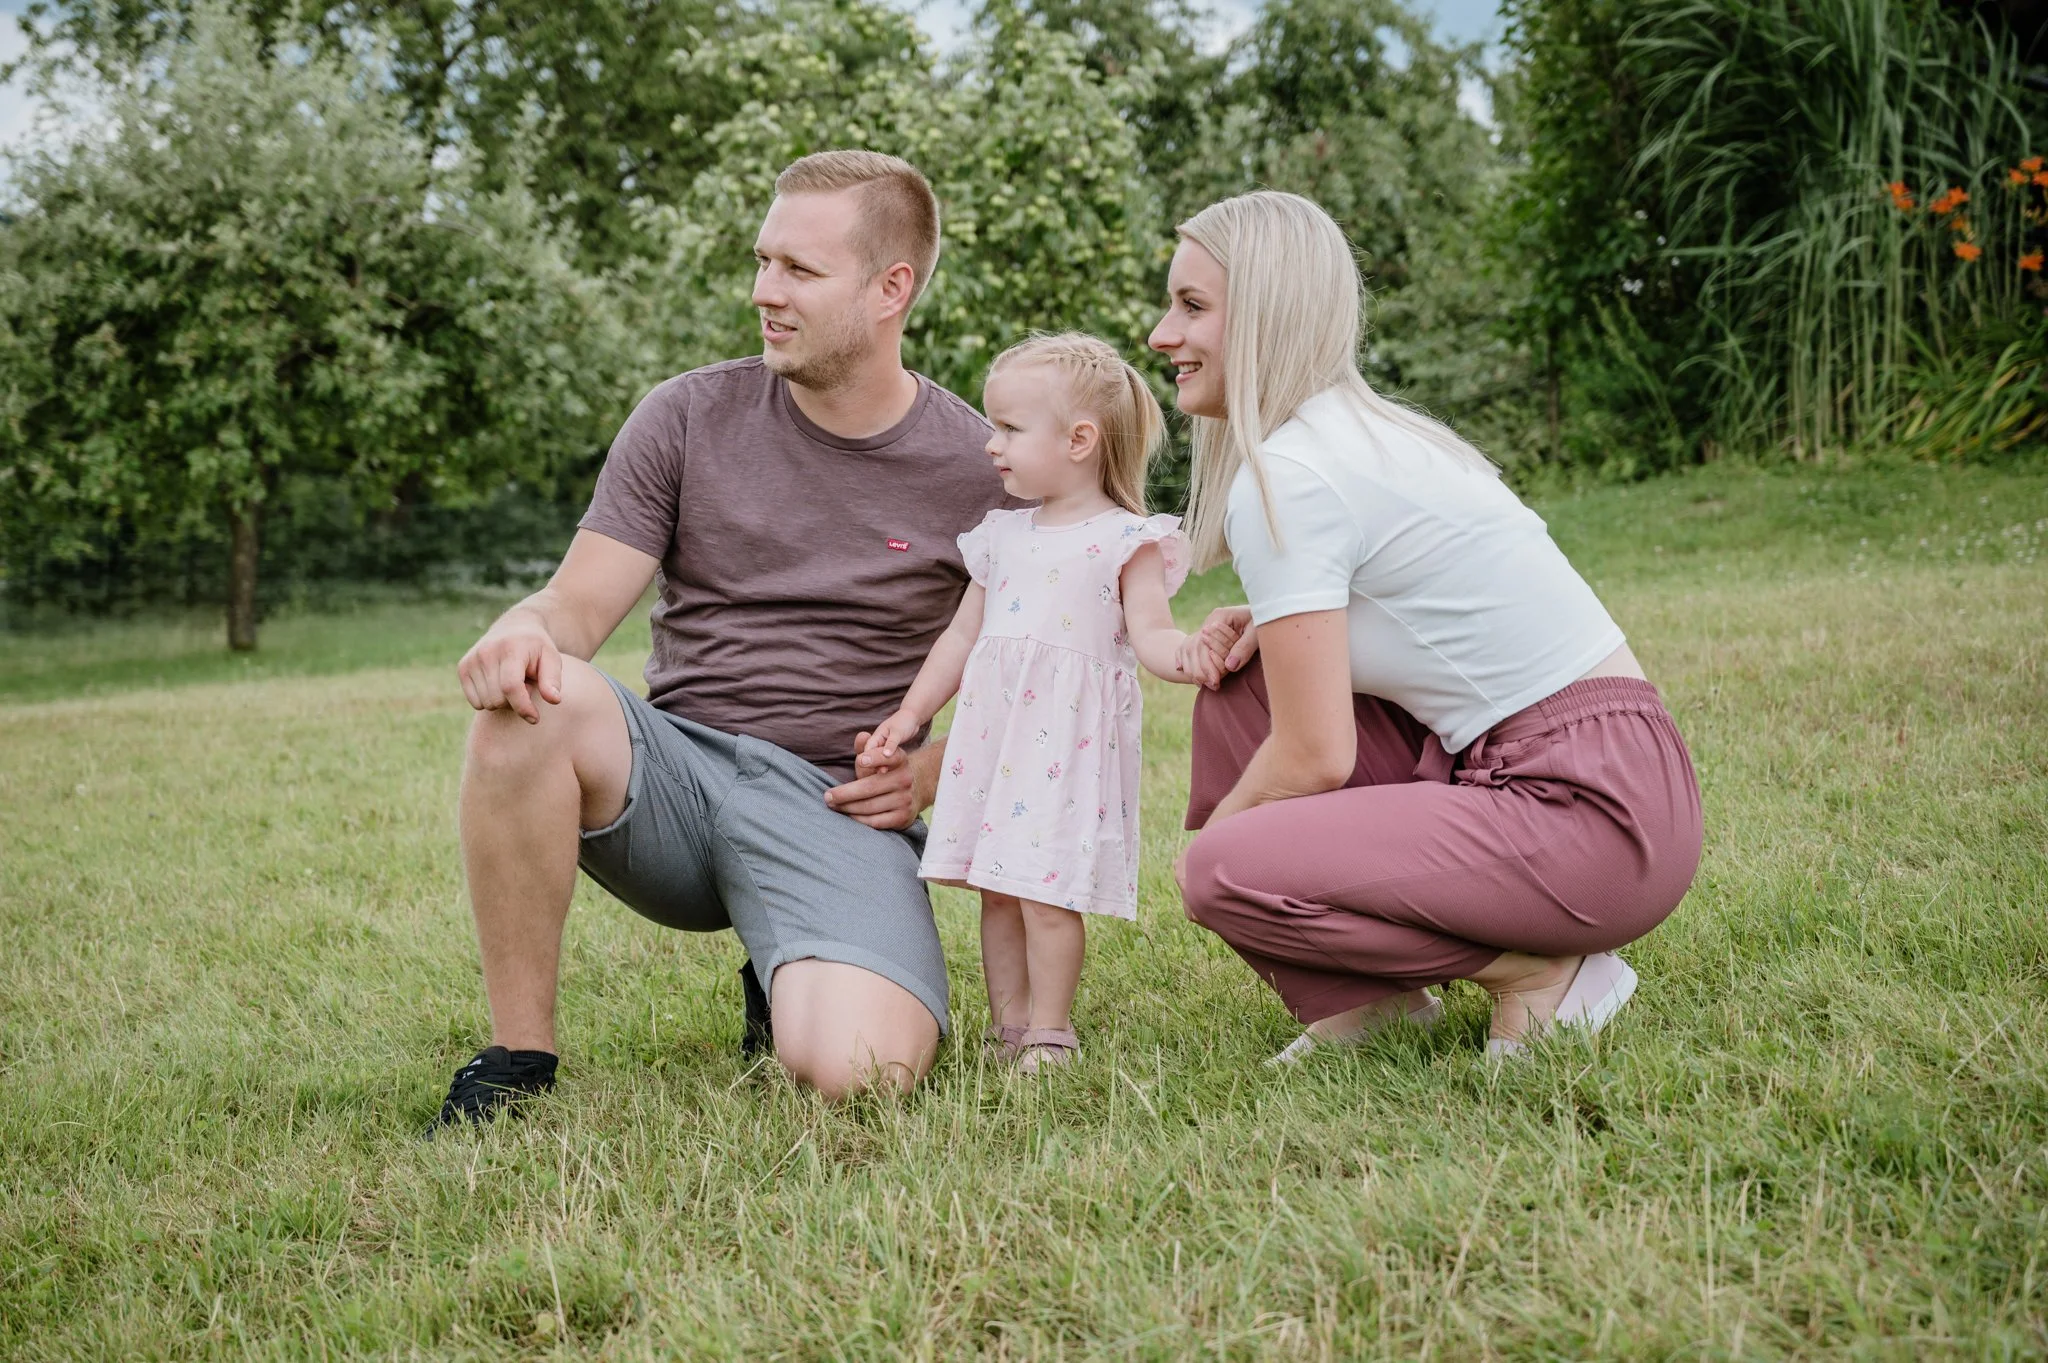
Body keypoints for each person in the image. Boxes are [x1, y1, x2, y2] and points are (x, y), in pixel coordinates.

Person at [431, 150, 1012, 1128]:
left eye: (798, 270)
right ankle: (516, 1060)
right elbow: (574, 609)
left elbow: (1056, 686)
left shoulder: (978, 466)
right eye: (762, 261)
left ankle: (790, 967)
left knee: (858, 1073)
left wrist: (927, 774)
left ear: (890, 289)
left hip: (837, 803)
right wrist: (521, 628)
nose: (762, 292)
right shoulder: (685, 415)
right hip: (677, 780)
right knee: (528, 703)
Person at [1149, 191, 1704, 1063]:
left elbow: (1315, 757)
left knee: (1226, 870)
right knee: (1243, 693)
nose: (1159, 334)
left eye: (1191, 307)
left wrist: (1213, 859)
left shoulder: (1290, 474)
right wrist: (1276, 621)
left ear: (1263, 315)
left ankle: (1536, 971)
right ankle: (1366, 1007)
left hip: (1593, 812)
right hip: (1616, 778)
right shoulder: (1359, 435)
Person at [863, 334, 1211, 1072]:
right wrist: (911, 713)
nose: (992, 445)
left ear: (1080, 440)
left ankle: (1051, 1027)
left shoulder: (1125, 540)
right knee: (996, 887)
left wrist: (1188, 656)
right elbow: (961, 637)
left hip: (1066, 745)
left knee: (1047, 891)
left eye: (1011, 429)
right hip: (997, 738)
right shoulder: (1001, 536)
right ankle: (1008, 1024)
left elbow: (1150, 632)